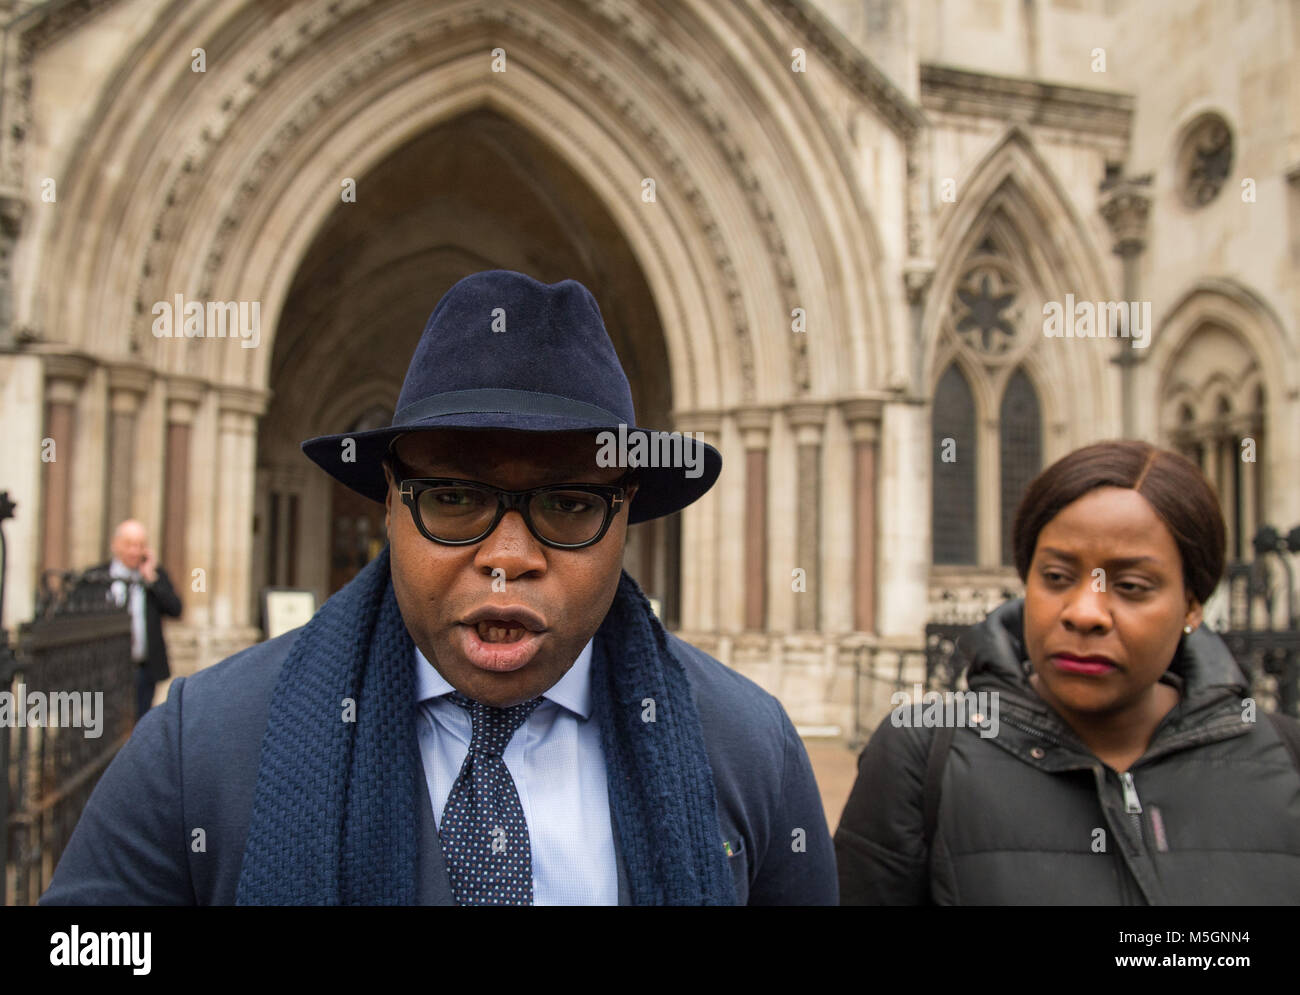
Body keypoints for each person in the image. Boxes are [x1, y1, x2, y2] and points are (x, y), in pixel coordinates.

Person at [40, 270, 837, 906]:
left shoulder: (747, 750)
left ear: (627, 511)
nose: (507, 557)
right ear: (389, 499)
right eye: (455, 497)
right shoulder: (200, 753)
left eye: (569, 503)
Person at [835, 440, 1300, 904]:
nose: (1084, 613)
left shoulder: (1286, 759)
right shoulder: (920, 758)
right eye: (1056, 577)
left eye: (1131, 586)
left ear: (1193, 605)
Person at [98, 519, 183, 720]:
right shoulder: (98, 576)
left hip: (144, 668)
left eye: (140, 545)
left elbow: (175, 610)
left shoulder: (154, 576)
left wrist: (151, 579)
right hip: (107, 667)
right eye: (129, 545)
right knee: (109, 723)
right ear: (115, 545)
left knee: (140, 720)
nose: (135, 551)